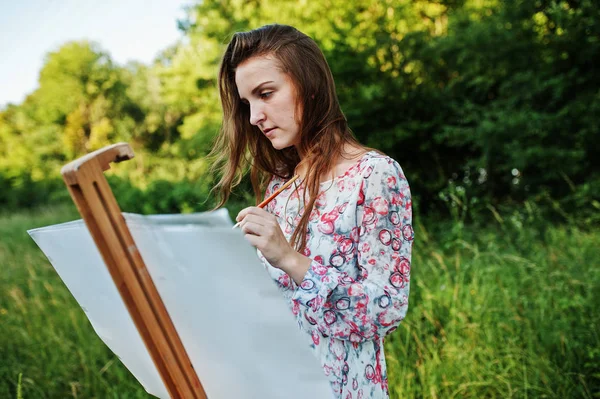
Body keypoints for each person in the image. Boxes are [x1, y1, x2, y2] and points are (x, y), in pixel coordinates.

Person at [210, 24, 413, 399]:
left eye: (266, 94)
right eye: (247, 103)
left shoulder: (375, 175)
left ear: (309, 83)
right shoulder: (280, 186)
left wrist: (288, 258)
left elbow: (385, 313)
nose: (255, 116)